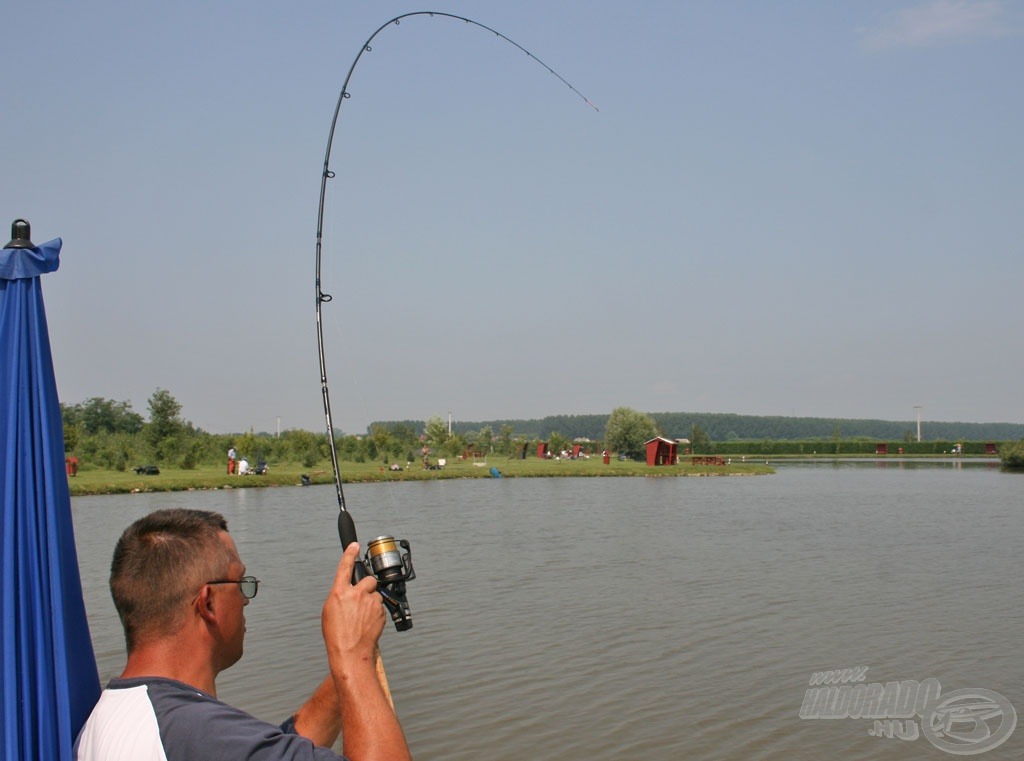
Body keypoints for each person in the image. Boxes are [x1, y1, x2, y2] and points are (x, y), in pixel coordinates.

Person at [74, 509, 411, 761]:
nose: (247, 598)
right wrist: (353, 656)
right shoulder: (194, 731)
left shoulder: (111, 718)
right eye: (241, 582)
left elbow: (274, 748)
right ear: (207, 602)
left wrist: (350, 662)